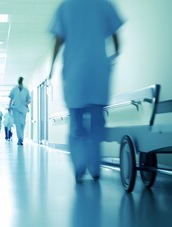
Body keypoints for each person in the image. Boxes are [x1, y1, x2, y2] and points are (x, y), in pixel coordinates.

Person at [49, 0, 123, 182]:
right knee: (97, 125)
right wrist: (114, 55)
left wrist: (51, 67)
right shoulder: (104, 4)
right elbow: (115, 36)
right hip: (98, 70)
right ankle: (95, 168)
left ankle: (80, 166)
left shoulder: (65, 7)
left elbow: (58, 39)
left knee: (76, 125)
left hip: (75, 73)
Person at [9, 77, 31, 145]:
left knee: (22, 124)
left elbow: (29, 100)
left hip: (23, 109)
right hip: (15, 108)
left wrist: (26, 103)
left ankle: (20, 138)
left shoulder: (26, 90)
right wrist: (9, 107)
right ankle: (20, 139)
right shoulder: (14, 89)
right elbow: (11, 99)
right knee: (18, 124)